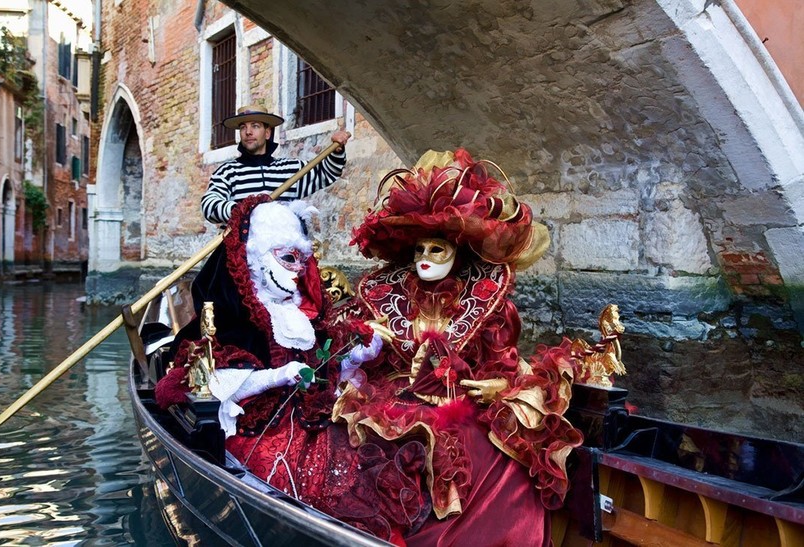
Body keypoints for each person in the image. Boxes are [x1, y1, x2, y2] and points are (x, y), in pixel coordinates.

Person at [332, 148, 584, 545]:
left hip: (460, 403)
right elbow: (362, 355)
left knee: (488, 454)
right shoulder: (389, 296)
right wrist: (365, 337)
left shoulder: (488, 303)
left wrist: (497, 387)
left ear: (458, 253)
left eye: (436, 249)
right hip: (394, 399)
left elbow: (501, 362)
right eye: (419, 250)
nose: (425, 258)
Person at [154, 195, 416, 543]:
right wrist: (275, 377)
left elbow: (321, 371)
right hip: (258, 425)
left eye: (302, 261)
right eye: (288, 258)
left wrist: (354, 358)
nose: (298, 270)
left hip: (313, 420)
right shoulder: (237, 319)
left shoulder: (300, 314)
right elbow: (216, 380)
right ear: (256, 259)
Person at [201, 104, 351, 224]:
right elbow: (209, 205)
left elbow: (326, 173)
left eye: (255, 126)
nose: (248, 132)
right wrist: (241, 209)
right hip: (242, 249)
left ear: (267, 133)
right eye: (243, 127)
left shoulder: (290, 169)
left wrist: (337, 151)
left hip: (284, 247)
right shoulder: (228, 172)